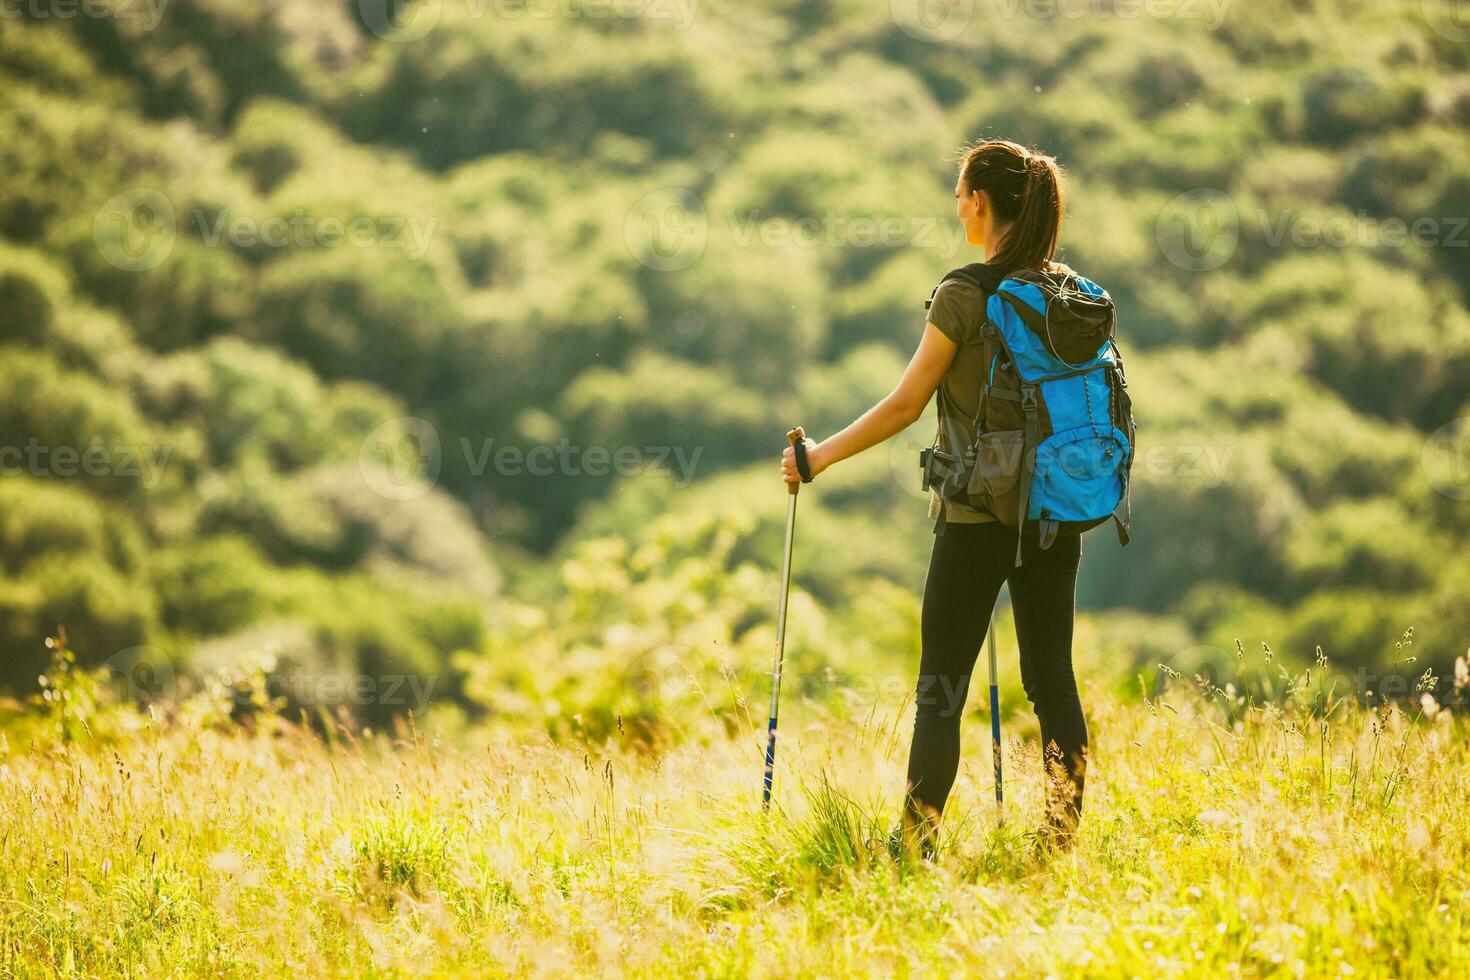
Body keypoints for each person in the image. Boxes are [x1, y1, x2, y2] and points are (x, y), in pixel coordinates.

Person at [779, 138, 1088, 858]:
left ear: (979, 202)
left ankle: (915, 847)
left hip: (977, 514)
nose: (957, 208)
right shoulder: (1065, 290)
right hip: (1054, 512)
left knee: (941, 689)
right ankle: (1059, 845)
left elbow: (904, 406)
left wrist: (816, 457)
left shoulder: (965, 293)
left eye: (959, 196)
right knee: (1053, 683)